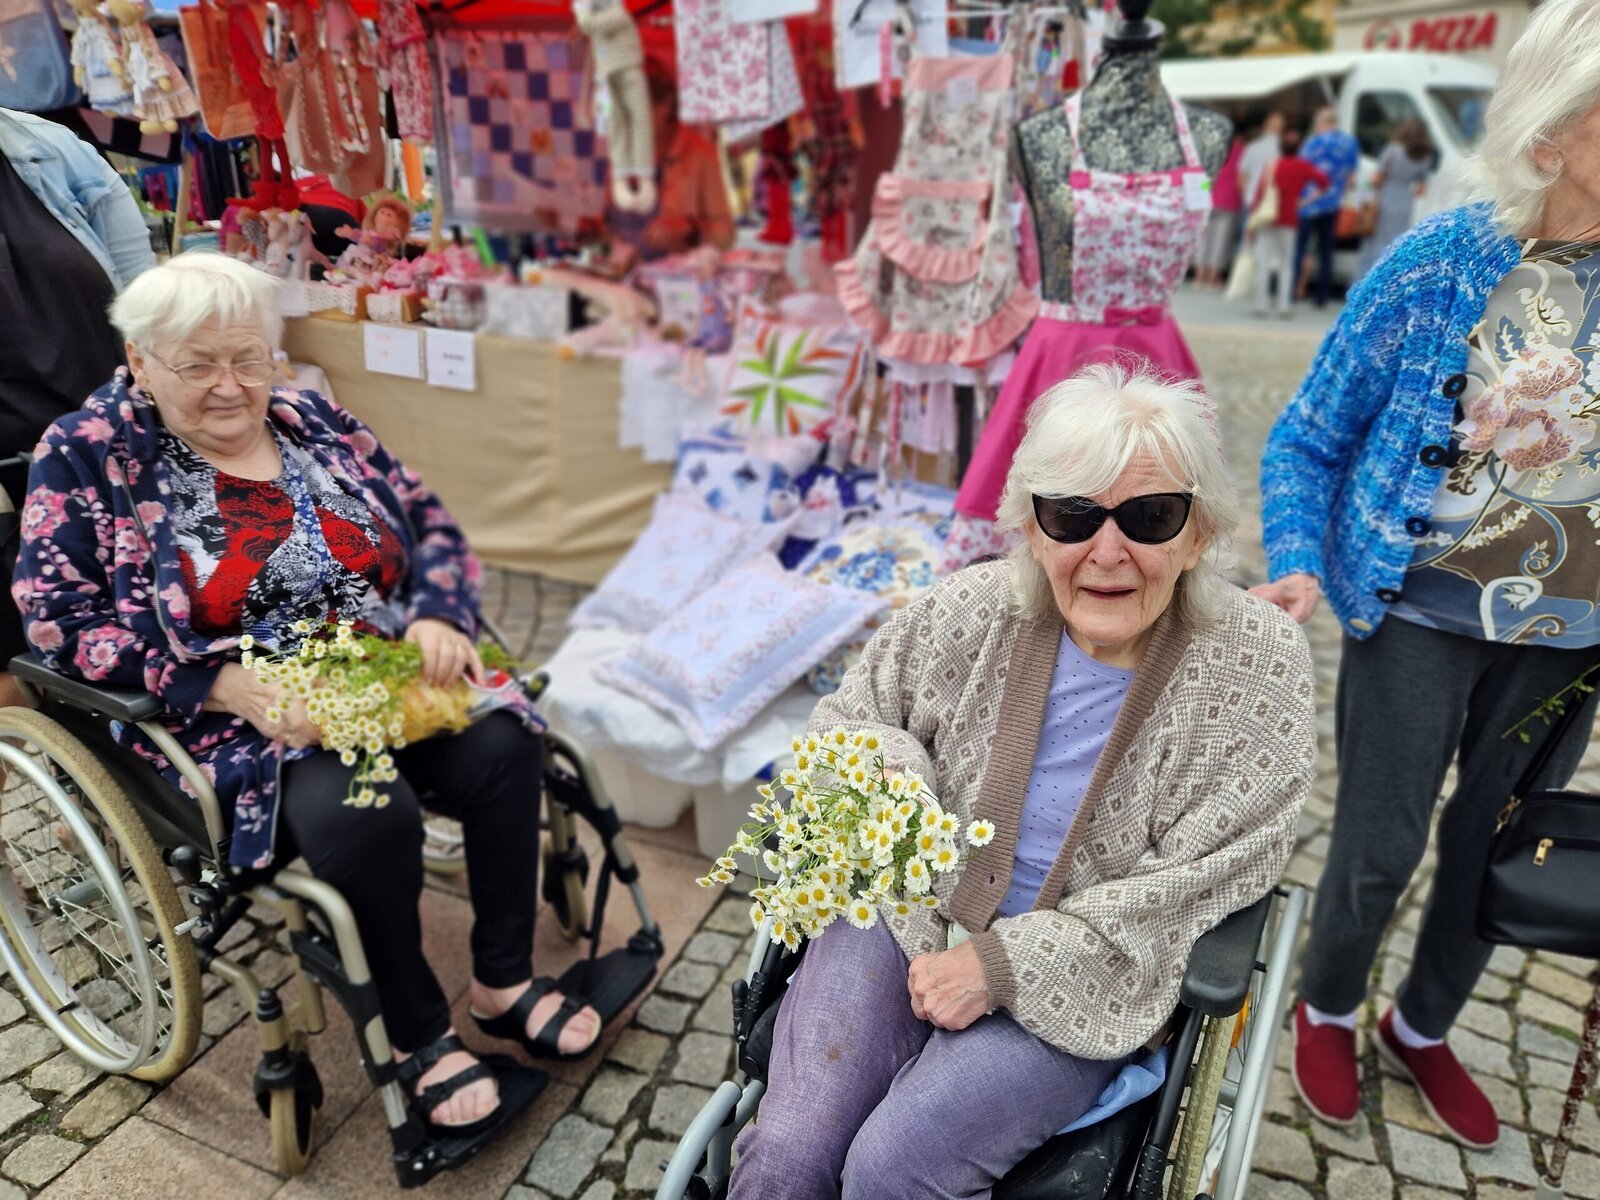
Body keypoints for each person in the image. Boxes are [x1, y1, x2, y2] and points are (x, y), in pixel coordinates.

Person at [10, 253, 603, 1136]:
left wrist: (436, 612)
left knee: (505, 744)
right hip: (226, 720)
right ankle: (418, 1036)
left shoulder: (310, 417)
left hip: (373, 673)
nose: (230, 386)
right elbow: (58, 624)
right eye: (198, 364)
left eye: (248, 358)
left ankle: (502, 977)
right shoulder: (88, 454)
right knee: (369, 811)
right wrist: (218, 684)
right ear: (139, 360)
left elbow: (427, 520)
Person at [729, 366, 1316, 1200]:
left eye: (1150, 517)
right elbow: (844, 733)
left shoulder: (1256, 667)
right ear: (1033, 529)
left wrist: (1005, 964)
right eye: (1072, 516)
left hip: (1091, 968)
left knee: (893, 1170)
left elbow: (1203, 879)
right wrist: (906, 804)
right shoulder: (969, 611)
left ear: (1199, 535)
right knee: (789, 1154)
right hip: (908, 909)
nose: (1107, 553)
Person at [1253, 0, 1600, 1151]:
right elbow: (1306, 438)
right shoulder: (1438, 264)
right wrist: (1297, 562)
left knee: (1496, 852)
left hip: (1568, 641)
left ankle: (1422, 1025)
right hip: (1417, 614)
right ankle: (1326, 1005)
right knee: (1380, 845)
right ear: (1549, 132)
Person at [0, 107, 155, 708]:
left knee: (122, 651)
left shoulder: (53, 151)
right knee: (13, 679)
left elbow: (149, 313)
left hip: (106, 465)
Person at [1252, 129, 1329, 318]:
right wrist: (1306, 200)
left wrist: (1252, 219)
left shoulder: (1271, 165)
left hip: (1267, 217)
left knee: (1264, 261)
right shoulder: (1303, 166)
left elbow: (1260, 193)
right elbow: (1324, 182)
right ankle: (1284, 304)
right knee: (1287, 263)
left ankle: (1261, 304)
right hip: (1289, 219)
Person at [1294, 106, 1360, 308]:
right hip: (1332, 204)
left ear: (1321, 123)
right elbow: (1352, 177)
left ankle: (1292, 291)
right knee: (1326, 251)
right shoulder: (1349, 143)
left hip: (1308, 203)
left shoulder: (1313, 142)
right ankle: (1321, 297)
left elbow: (1301, 169)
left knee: (1300, 248)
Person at [1355, 117, 1435, 279]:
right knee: (1395, 242)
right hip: (1404, 202)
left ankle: (1369, 279)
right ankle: (1390, 278)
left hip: (1385, 199)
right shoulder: (1425, 157)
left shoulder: (1392, 151)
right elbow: (1421, 190)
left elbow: (1376, 179)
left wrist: (1362, 188)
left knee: (1375, 243)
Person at [1195, 133, 1245, 287]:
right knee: (1221, 240)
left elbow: (1204, 175)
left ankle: (1200, 273)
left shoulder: (1213, 149)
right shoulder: (1241, 151)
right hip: (1229, 200)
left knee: (1204, 238)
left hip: (1209, 200)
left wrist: (1203, 193)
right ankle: (1213, 275)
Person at [1236, 111, 1284, 233]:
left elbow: (1241, 176)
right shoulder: (1283, 150)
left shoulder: (1252, 147)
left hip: (1250, 199)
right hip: (1273, 203)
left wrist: (1246, 196)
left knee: (1247, 239)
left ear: (1264, 126)